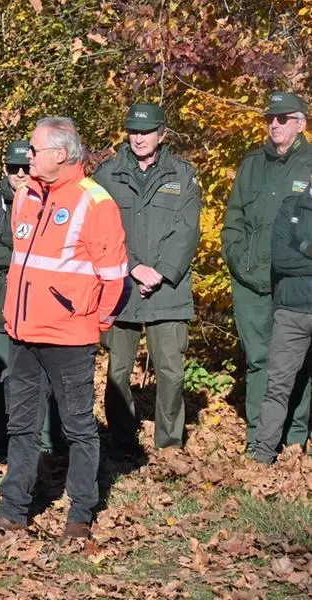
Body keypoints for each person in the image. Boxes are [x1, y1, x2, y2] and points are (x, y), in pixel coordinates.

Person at [0, 117, 128, 542]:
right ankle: (13, 511)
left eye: (35, 151)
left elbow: (114, 277)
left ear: (60, 154)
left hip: (70, 338)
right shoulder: (26, 197)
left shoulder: (95, 202)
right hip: (22, 334)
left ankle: (79, 516)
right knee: (21, 426)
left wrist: (95, 321)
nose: (28, 158)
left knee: (77, 427)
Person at [94, 103, 201, 452]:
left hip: (167, 288)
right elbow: (100, 231)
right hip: (121, 285)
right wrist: (132, 267)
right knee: (117, 371)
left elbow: (187, 231)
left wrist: (161, 272)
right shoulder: (107, 175)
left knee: (171, 371)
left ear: (162, 134)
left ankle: (169, 444)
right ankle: (123, 441)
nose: (139, 138)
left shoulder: (182, 175)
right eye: (134, 132)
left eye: (146, 132)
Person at [221, 92, 312, 453]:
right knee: (259, 359)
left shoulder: (309, 164)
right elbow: (234, 219)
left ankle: (294, 437)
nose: (273, 124)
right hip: (251, 280)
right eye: (269, 118)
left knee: (301, 364)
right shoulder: (252, 164)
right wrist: (237, 258)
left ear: (301, 123)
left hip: (296, 283)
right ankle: (259, 439)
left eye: (282, 118)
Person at [0, 140, 63, 460]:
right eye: (14, 169)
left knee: (44, 374)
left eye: (26, 168)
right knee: (1, 377)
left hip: (42, 305)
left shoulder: (51, 201)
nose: (20, 174)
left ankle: (48, 439)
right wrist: (23, 255)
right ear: (5, 170)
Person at [253, 169, 312, 463]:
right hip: (292, 311)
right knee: (278, 385)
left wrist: (303, 249)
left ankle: (298, 445)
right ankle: (263, 455)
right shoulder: (291, 206)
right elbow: (282, 257)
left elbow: (295, 255)